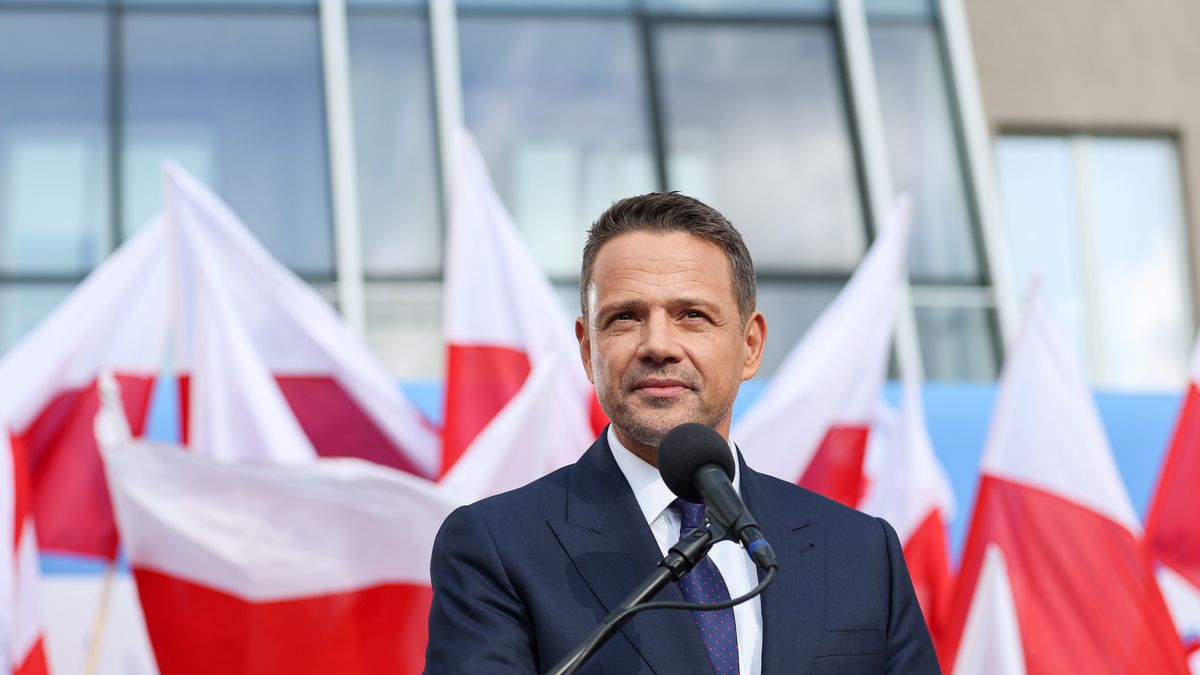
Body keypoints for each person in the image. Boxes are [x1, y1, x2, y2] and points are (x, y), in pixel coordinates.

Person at [425, 192, 940, 674]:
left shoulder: (861, 550)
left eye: (692, 315)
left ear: (750, 345)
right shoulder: (495, 546)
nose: (658, 345)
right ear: (587, 349)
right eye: (625, 317)